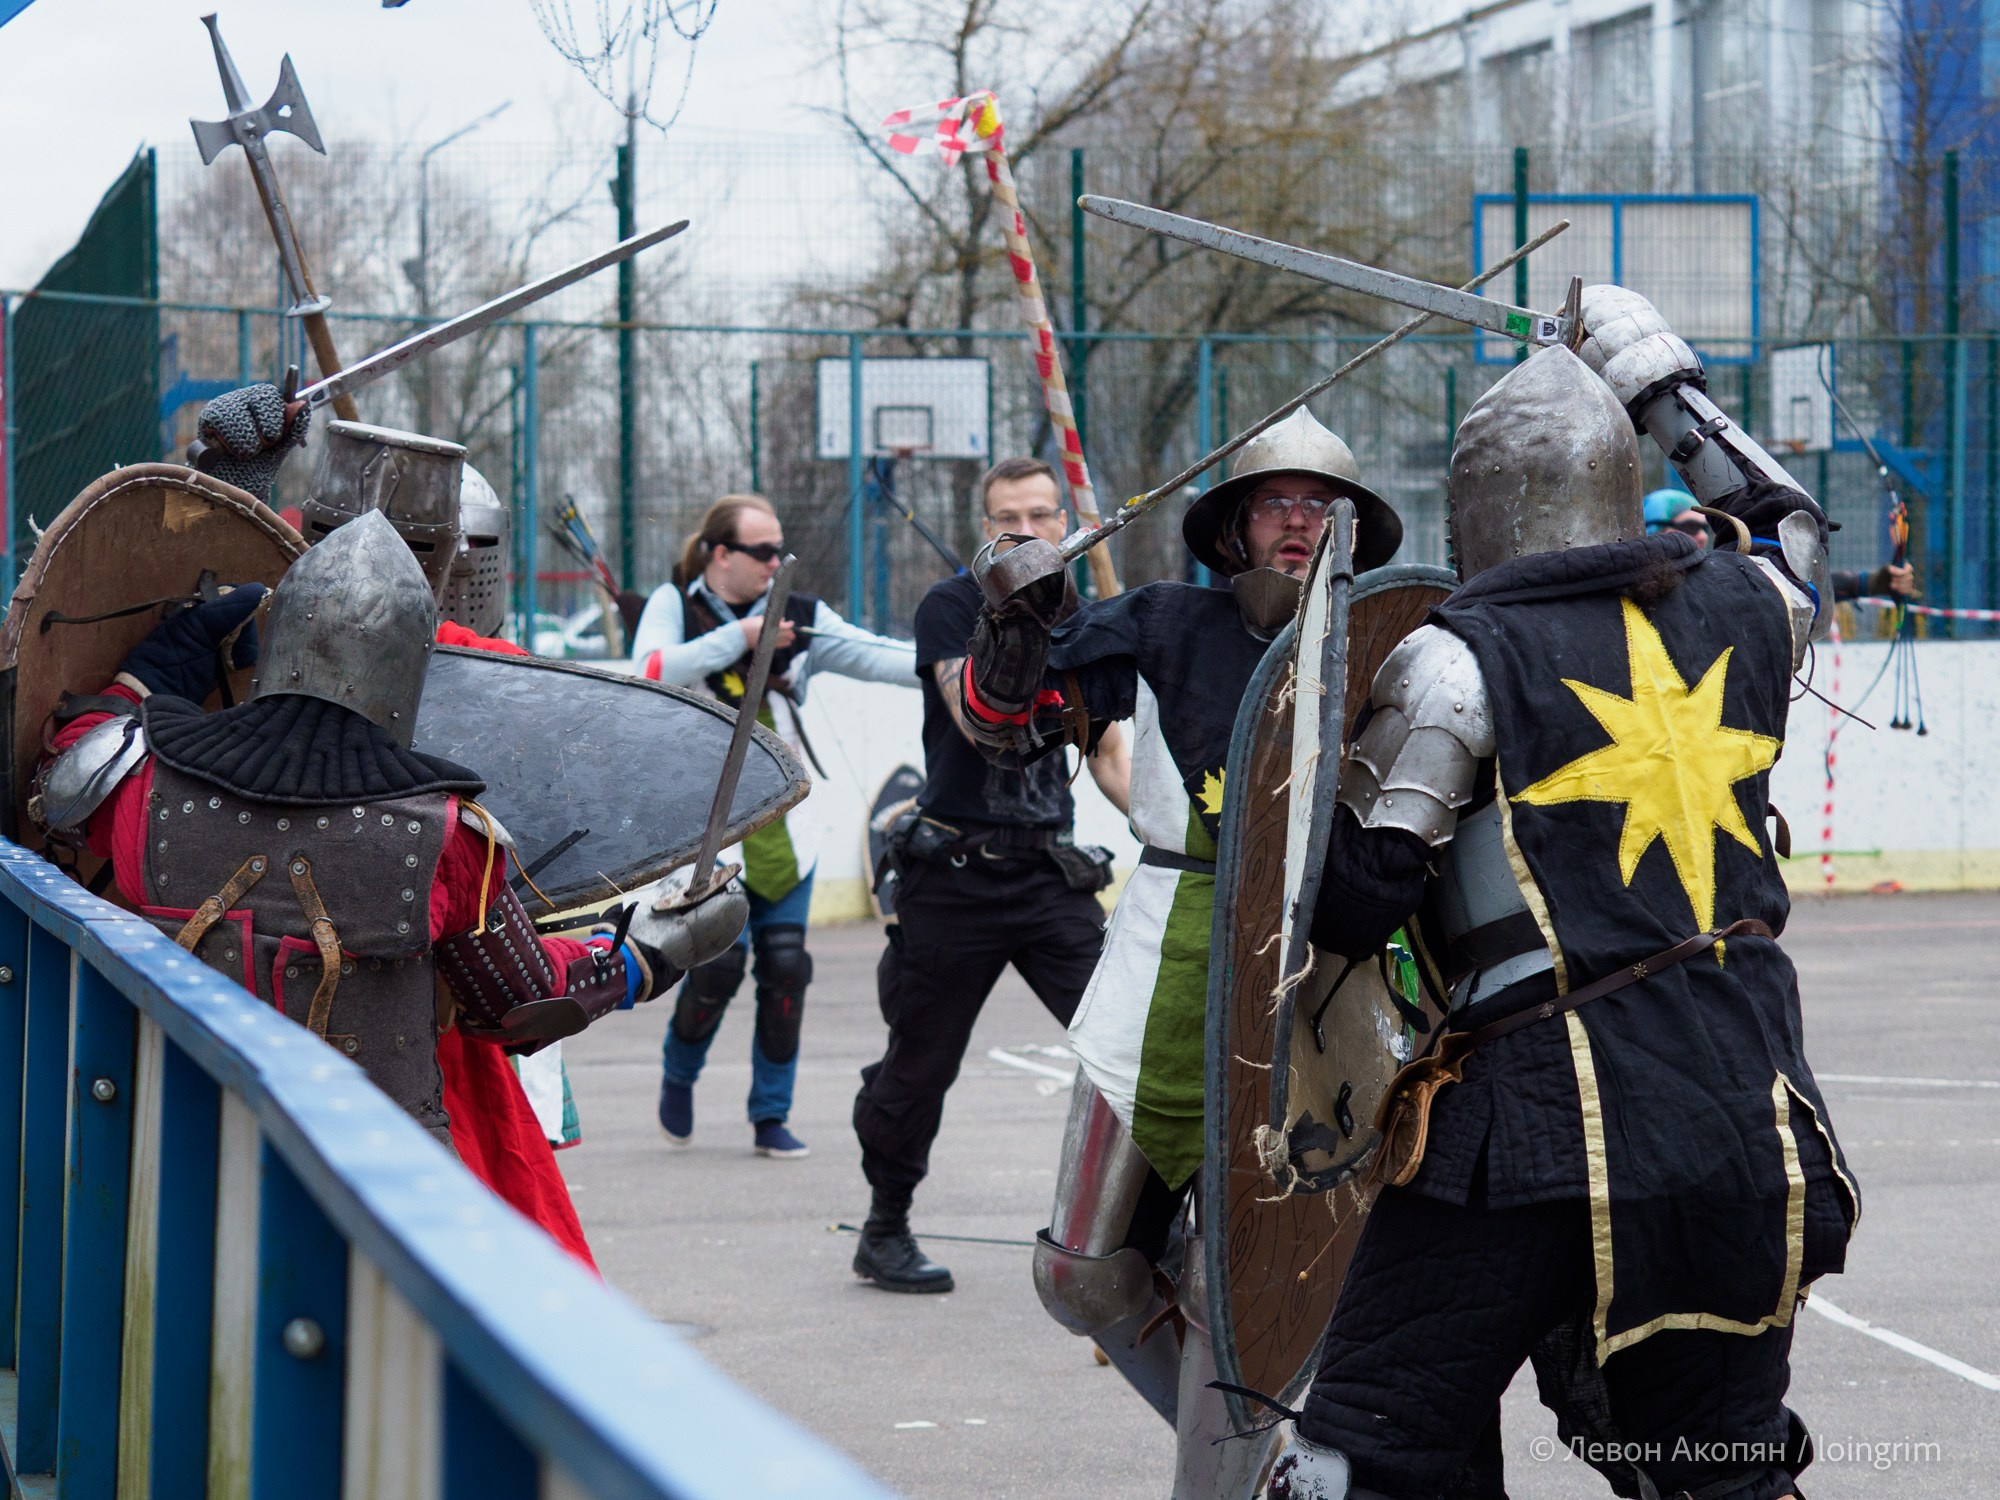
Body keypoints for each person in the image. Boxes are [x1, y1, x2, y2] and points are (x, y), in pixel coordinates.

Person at [1263, 338, 1855, 1500]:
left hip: (1534, 1138)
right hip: (1747, 1122)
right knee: (1711, 1462)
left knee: (1365, 1454)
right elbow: (1790, 529)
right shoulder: (1748, 608)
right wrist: (1655, 381)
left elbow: (1358, 895)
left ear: (1473, 517)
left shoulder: (1452, 662)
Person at [33, 513, 747, 1265]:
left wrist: (150, 674)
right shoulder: (445, 836)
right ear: (414, 671)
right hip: (382, 1183)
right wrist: (644, 950)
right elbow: (519, 1003)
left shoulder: (146, 786)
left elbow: (60, 774)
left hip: (177, 1147)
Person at [957, 408, 1404, 1494]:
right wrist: (1017, 611)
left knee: (1234, 1284)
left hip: (1324, 971)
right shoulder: (1160, 621)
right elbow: (1004, 718)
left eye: (1319, 506)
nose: (1298, 523)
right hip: (1166, 944)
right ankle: (1275, 1464)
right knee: (1078, 1274)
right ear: (1234, 528)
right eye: (1276, 504)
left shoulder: (1392, 645)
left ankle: (1229, 1479)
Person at [849, 458, 1127, 1294]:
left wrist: (1180, 827)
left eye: (1043, 515)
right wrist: (1017, 626)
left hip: (1050, 875)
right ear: (985, 530)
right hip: (957, 873)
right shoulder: (951, 606)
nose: (1028, 531)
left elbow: (1110, 751)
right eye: (1008, 519)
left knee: (1130, 1050)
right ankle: (885, 1224)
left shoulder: (1091, 617)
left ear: (1066, 522)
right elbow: (983, 728)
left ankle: (1146, 1231)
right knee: (918, 1067)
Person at [632, 494, 916, 1158]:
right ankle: (679, 1073)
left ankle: (770, 1113)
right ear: (720, 554)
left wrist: (960, 657)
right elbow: (648, 669)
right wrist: (741, 638)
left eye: (780, 548)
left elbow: (879, 656)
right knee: (718, 964)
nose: (775, 562)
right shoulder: (675, 602)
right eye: (762, 551)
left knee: (786, 967)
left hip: (785, 823)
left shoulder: (802, 612)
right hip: (703, 825)